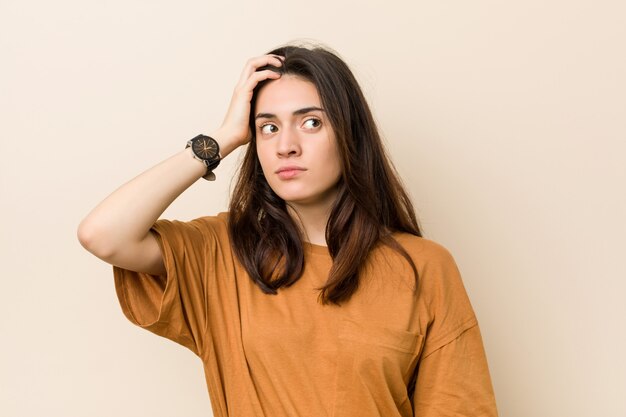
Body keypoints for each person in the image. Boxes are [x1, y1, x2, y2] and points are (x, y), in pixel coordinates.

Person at [78, 44, 498, 417]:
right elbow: (103, 234)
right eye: (268, 127)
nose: (285, 145)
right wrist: (223, 138)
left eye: (311, 122)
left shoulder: (423, 267)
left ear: (349, 134)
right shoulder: (221, 252)